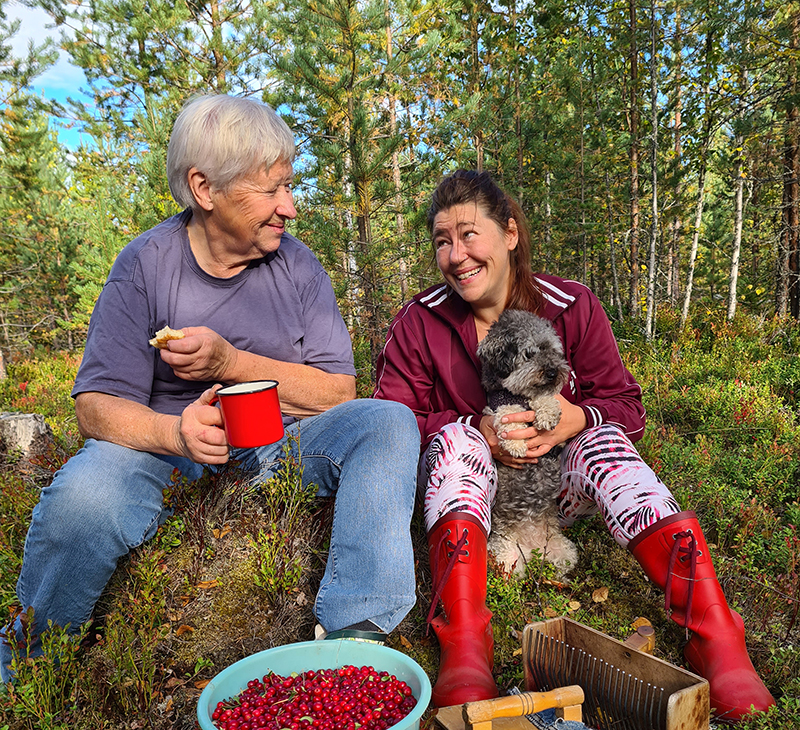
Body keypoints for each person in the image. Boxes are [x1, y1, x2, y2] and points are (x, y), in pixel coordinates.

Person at [0, 95, 420, 683]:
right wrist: (174, 432)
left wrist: (231, 360)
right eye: (271, 190)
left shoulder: (298, 268)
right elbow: (94, 409)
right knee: (85, 498)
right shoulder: (145, 264)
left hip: (280, 448)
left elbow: (339, 395)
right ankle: (25, 669)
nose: (290, 208)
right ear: (204, 188)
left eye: (288, 187)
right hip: (162, 452)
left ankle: (355, 640)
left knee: (389, 422)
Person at [373, 169, 775, 721]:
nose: (456, 255)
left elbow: (627, 407)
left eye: (469, 234)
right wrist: (480, 428)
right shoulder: (420, 322)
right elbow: (390, 425)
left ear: (510, 233)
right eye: (442, 241)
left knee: (602, 436)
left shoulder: (571, 306)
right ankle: (465, 643)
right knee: (458, 435)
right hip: (470, 499)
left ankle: (714, 633)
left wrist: (575, 418)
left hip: (558, 494)